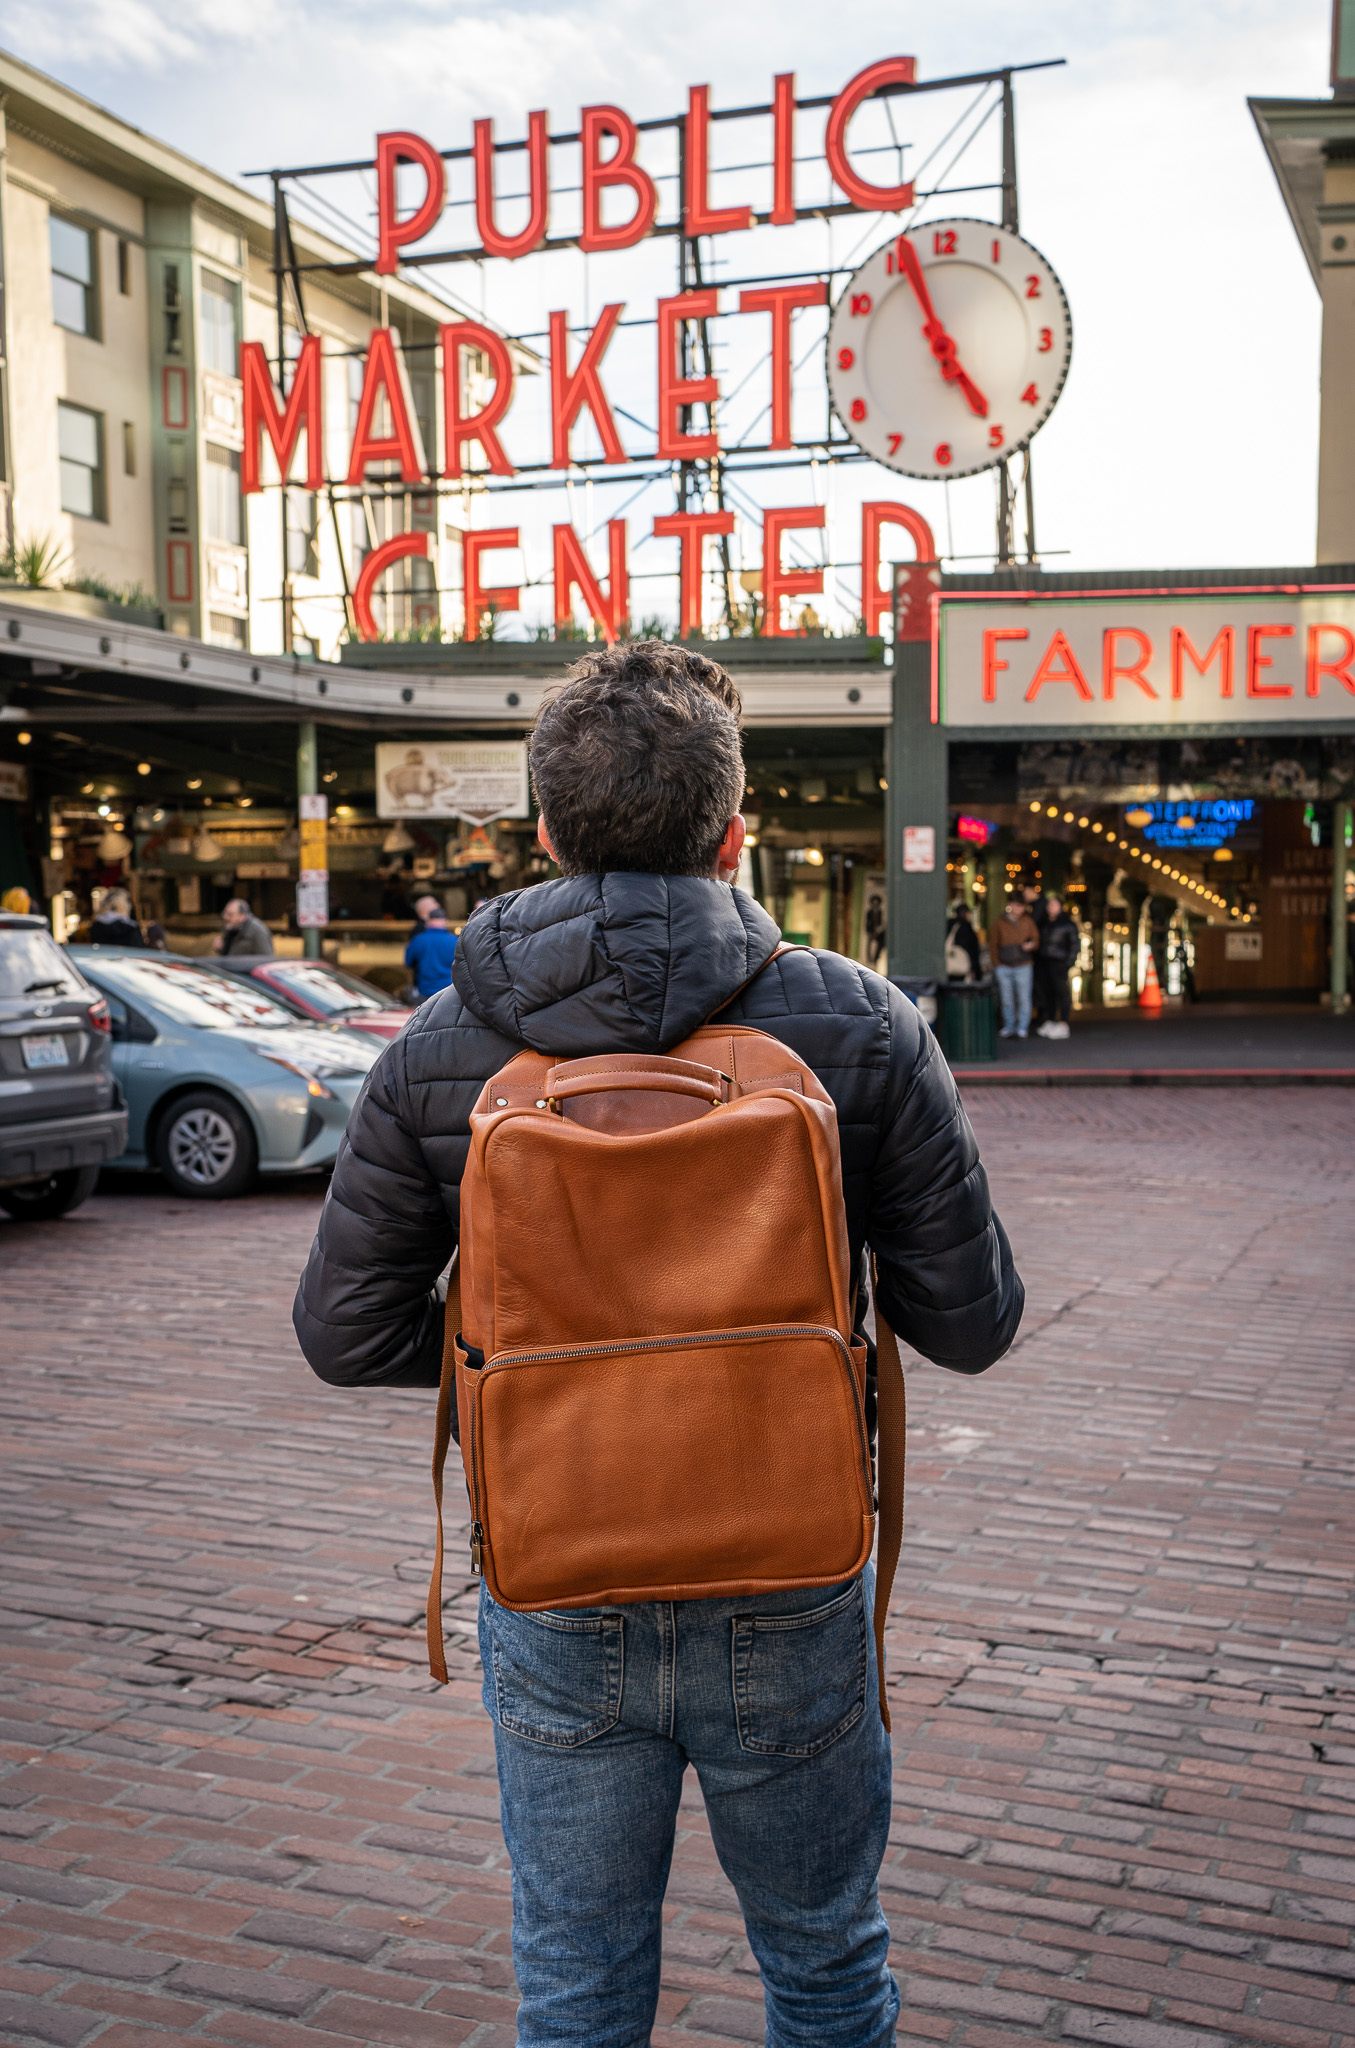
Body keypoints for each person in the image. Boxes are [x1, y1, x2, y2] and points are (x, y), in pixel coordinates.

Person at [294, 640, 1023, 2048]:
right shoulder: (861, 1025)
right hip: (788, 1567)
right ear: (733, 834)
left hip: (558, 1575)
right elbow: (970, 1325)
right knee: (822, 1962)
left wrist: (537, 1355)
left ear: (548, 835)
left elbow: (344, 1332)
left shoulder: (442, 1046)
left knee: (574, 1977)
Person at [989, 896, 1040, 1038]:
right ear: (1010, 905)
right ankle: (1009, 1025)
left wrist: (1031, 945)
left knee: (1024, 998)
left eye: (1022, 906)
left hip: (1023, 965)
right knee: (1006, 999)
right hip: (1004, 965)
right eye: (1017, 906)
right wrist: (997, 964)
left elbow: (1036, 940)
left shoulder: (1027, 921)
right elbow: (993, 944)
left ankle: (1022, 1027)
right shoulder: (999, 922)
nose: (1020, 909)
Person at [1035, 894, 1081, 1039]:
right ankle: (1050, 1020)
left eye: (1054, 905)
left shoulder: (1068, 924)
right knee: (1047, 993)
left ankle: (1063, 1023)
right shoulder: (1043, 923)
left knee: (1062, 993)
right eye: (1049, 905)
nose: (1051, 908)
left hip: (1059, 963)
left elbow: (1075, 946)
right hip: (1044, 962)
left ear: (1060, 907)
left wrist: (1068, 963)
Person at [403, 903, 457, 999]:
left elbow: (408, 963)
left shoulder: (418, 940)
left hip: (424, 990)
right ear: (444, 921)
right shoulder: (454, 941)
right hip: (448, 990)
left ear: (428, 921)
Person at [944, 901, 980, 980]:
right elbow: (969, 948)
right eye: (969, 913)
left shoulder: (951, 925)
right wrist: (973, 967)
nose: (970, 915)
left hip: (952, 967)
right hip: (963, 966)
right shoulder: (965, 928)